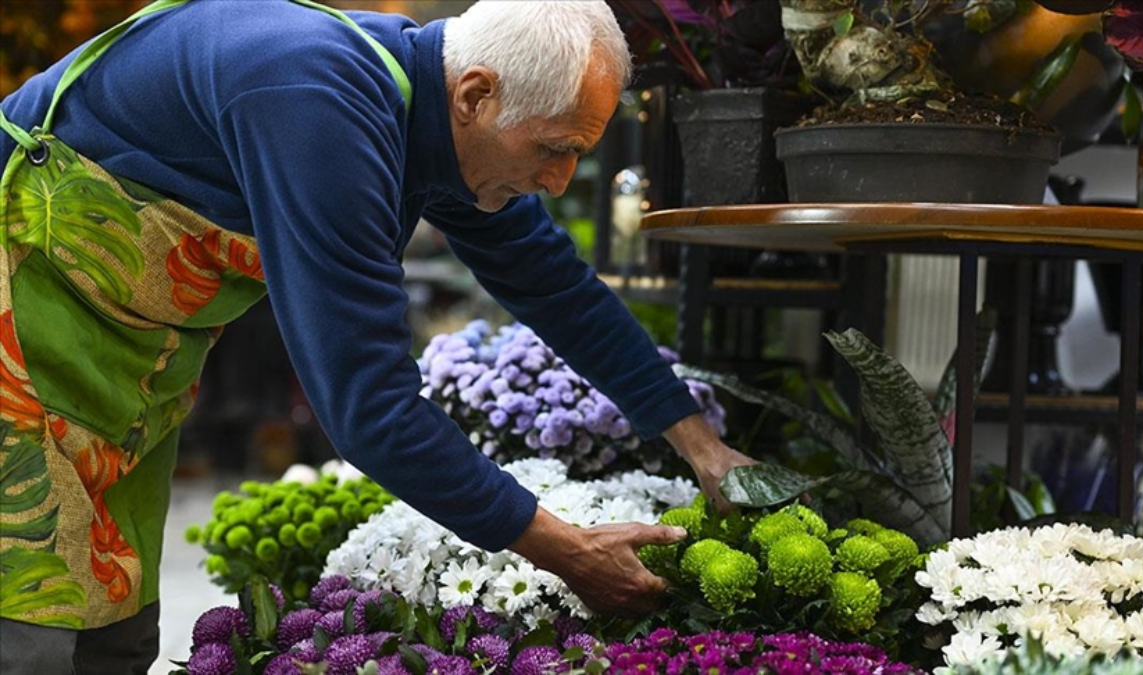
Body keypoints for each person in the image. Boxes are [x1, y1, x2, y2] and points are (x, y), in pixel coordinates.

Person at [0, 0, 754, 671]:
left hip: (122, 366)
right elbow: (370, 406)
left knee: (113, 616)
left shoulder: (431, 114)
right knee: (32, 623)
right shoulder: (320, 107)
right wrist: (569, 552)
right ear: (476, 95)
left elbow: (552, 282)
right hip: (21, 320)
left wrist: (702, 447)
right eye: (554, 148)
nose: (559, 181)